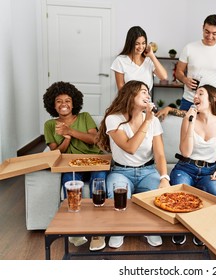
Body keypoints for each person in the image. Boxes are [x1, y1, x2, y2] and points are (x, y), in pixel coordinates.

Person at [96, 80, 171, 249]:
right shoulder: (113, 119)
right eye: (143, 91)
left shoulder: (154, 121)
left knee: (160, 195)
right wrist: (147, 121)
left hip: (148, 171)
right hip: (121, 172)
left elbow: (159, 154)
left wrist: (164, 177)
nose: (148, 95)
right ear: (131, 94)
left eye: (148, 92)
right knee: (119, 196)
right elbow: (130, 148)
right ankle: (119, 229)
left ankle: (150, 228)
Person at [43, 81, 107, 251]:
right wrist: (66, 139)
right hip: (71, 165)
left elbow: (95, 140)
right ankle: (75, 230)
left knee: (99, 182)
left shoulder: (85, 117)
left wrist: (70, 131)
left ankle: (97, 231)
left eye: (67, 100)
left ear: (74, 102)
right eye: (59, 101)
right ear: (52, 104)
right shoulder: (50, 125)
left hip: (94, 162)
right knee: (68, 183)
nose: (64, 104)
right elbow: (56, 153)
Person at [170, 84, 216, 245]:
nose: (195, 97)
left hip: (209, 171)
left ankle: (203, 229)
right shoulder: (188, 119)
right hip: (185, 168)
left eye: (200, 93)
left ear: (212, 99)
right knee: (179, 195)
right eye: (195, 94)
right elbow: (186, 152)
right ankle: (180, 229)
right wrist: (190, 121)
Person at [156, 14, 216, 120]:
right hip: (189, 100)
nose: (210, 36)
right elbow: (178, 72)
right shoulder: (189, 48)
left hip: (213, 103)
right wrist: (184, 79)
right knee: (185, 132)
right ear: (202, 28)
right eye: (207, 32)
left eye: (214, 33)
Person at [111, 26, 168, 91]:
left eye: (143, 43)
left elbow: (164, 77)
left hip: (146, 100)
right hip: (128, 100)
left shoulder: (149, 60)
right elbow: (121, 88)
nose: (141, 47)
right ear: (130, 43)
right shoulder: (120, 60)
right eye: (137, 44)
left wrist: (152, 56)